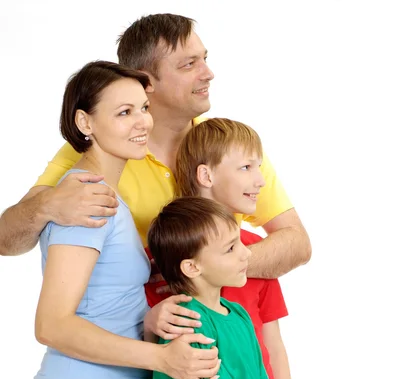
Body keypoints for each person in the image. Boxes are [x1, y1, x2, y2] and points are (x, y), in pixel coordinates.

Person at [0, 13, 311, 285]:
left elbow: (296, 242)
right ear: (146, 82)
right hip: (135, 338)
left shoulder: (230, 144)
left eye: (205, 58)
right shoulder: (96, 148)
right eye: (189, 64)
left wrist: (204, 269)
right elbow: (6, 239)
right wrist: (46, 206)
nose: (208, 73)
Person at [29, 60, 220, 379]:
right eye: (123, 112)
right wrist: (162, 358)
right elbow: (52, 325)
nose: (143, 122)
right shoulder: (89, 198)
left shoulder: (103, 193)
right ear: (85, 121)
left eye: (144, 108)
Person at [173, 117, 291, 379]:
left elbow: (273, 344)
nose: (261, 181)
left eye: (258, 167)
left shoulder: (257, 250)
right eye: (246, 167)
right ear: (206, 176)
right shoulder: (170, 251)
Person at [147, 196, 296, 379]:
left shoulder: (239, 315)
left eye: (240, 243)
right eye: (231, 248)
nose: (246, 254)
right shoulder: (186, 322)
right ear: (192, 267)